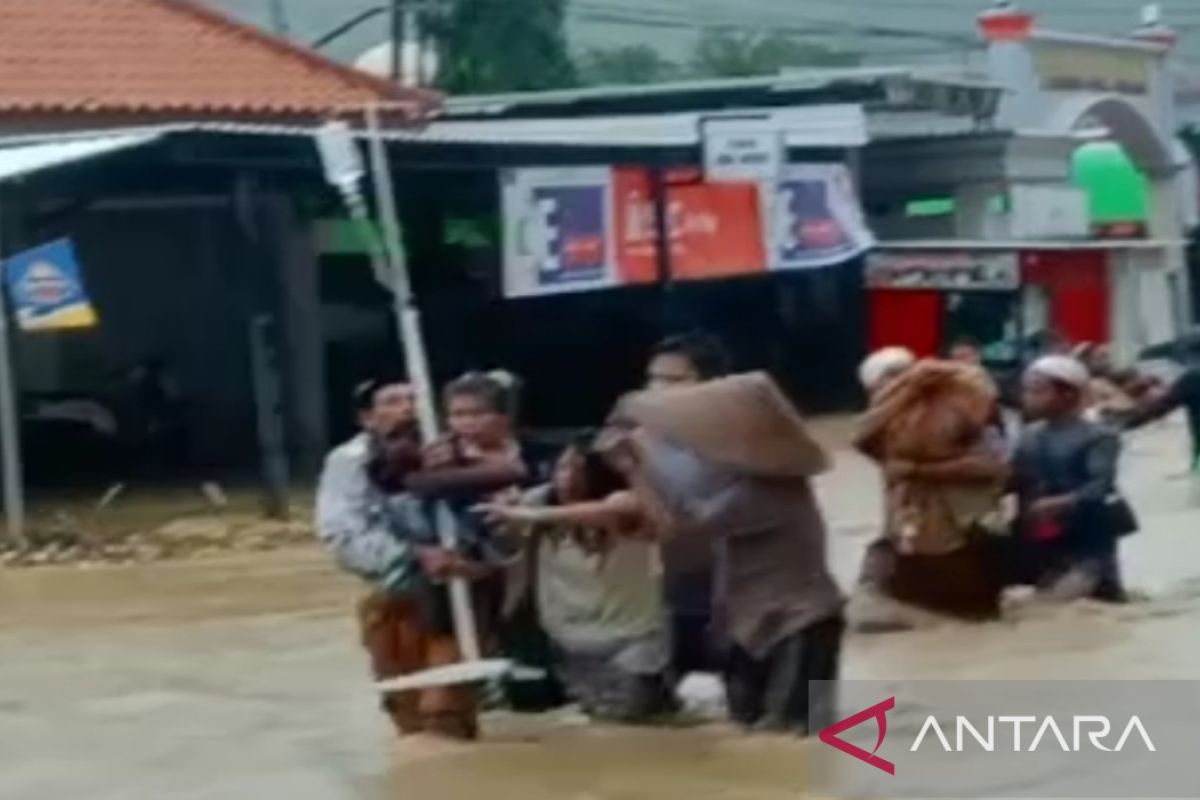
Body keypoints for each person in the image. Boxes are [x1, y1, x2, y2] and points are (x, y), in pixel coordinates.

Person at [603, 373, 845, 735]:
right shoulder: (737, 480)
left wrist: (633, 469)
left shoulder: (770, 488)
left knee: (786, 739)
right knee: (750, 734)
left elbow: (681, 528)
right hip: (748, 625)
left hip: (799, 626)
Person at [316, 379, 487, 741]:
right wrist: (414, 554)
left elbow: (491, 518)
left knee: (445, 715)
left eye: (414, 400)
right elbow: (343, 537)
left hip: (459, 597)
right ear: (368, 418)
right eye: (393, 402)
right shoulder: (351, 462)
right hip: (396, 598)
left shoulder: (460, 452)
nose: (407, 408)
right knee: (407, 717)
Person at [479, 436, 674, 723]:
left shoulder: (628, 506)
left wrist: (533, 515)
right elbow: (503, 544)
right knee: (596, 727)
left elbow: (622, 509)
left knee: (635, 730)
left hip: (633, 641)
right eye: (561, 468)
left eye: (577, 469)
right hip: (571, 641)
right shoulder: (538, 501)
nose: (566, 478)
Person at [854, 358, 1011, 620]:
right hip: (914, 522)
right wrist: (901, 395)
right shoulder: (893, 420)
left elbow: (993, 466)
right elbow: (862, 438)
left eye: (900, 376)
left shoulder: (968, 406)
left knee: (971, 595)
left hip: (965, 522)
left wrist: (920, 470)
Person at [643, 332, 732, 678]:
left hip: (731, 589)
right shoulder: (642, 441)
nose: (658, 388)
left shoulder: (737, 441)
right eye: (653, 379)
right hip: (670, 591)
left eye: (673, 380)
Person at [1011, 356, 1130, 603]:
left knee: (1074, 606)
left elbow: (1100, 486)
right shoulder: (1029, 436)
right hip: (1042, 541)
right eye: (1027, 390)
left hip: (1088, 542)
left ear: (1068, 394)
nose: (1028, 397)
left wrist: (1058, 503)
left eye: (1038, 391)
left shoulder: (1099, 436)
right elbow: (1012, 478)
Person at [1120, 366, 1200, 471]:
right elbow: (1162, 405)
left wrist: (1124, 425)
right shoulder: (1192, 379)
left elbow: (1162, 406)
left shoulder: (1193, 379)